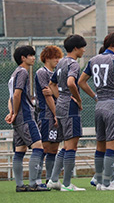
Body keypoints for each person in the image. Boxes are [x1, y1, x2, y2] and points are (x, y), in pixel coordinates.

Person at [78, 32, 114, 191]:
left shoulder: (93, 60)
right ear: (112, 45)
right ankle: (107, 183)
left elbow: (81, 81)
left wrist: (95, 96)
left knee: (100, 145)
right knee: (111, 146)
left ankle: (99, 181)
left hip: (99, 105)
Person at [5, 45, 49, 192]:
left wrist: (11, 113)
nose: (33, 57)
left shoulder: (13, 74)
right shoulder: (23, 72)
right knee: (38, 148)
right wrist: (16, 112)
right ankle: (33, 184)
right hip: (25, 116)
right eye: (30, 55)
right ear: (23, 58)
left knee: (20, 150)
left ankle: (19, 185)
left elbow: (10, 98)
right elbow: (17, 95)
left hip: (18, 119)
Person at [46, 35, 87, 191]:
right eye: (83, 47)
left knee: (65, 146)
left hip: (61, 106)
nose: (84, 50)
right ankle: (68, 184)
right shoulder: (73, 64)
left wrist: (61, 97)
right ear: (76, 48)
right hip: (70, 107)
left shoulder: (61, 62)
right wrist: (77, 99)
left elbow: (52, 84)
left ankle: (54, 180)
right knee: (71, 146)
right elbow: (71, 82)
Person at [35, 46, 63, 185]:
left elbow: (55, 93)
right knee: (44, 147)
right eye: (55, 57)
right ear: (47, 58)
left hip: (56, 114)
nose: (57, 60)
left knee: (54, 148)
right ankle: (37, 178)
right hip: (46, 115)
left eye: (59, 57)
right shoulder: (42, 72)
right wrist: (55, 114)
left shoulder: (56, 73)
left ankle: (50, 179)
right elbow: (47, 96)